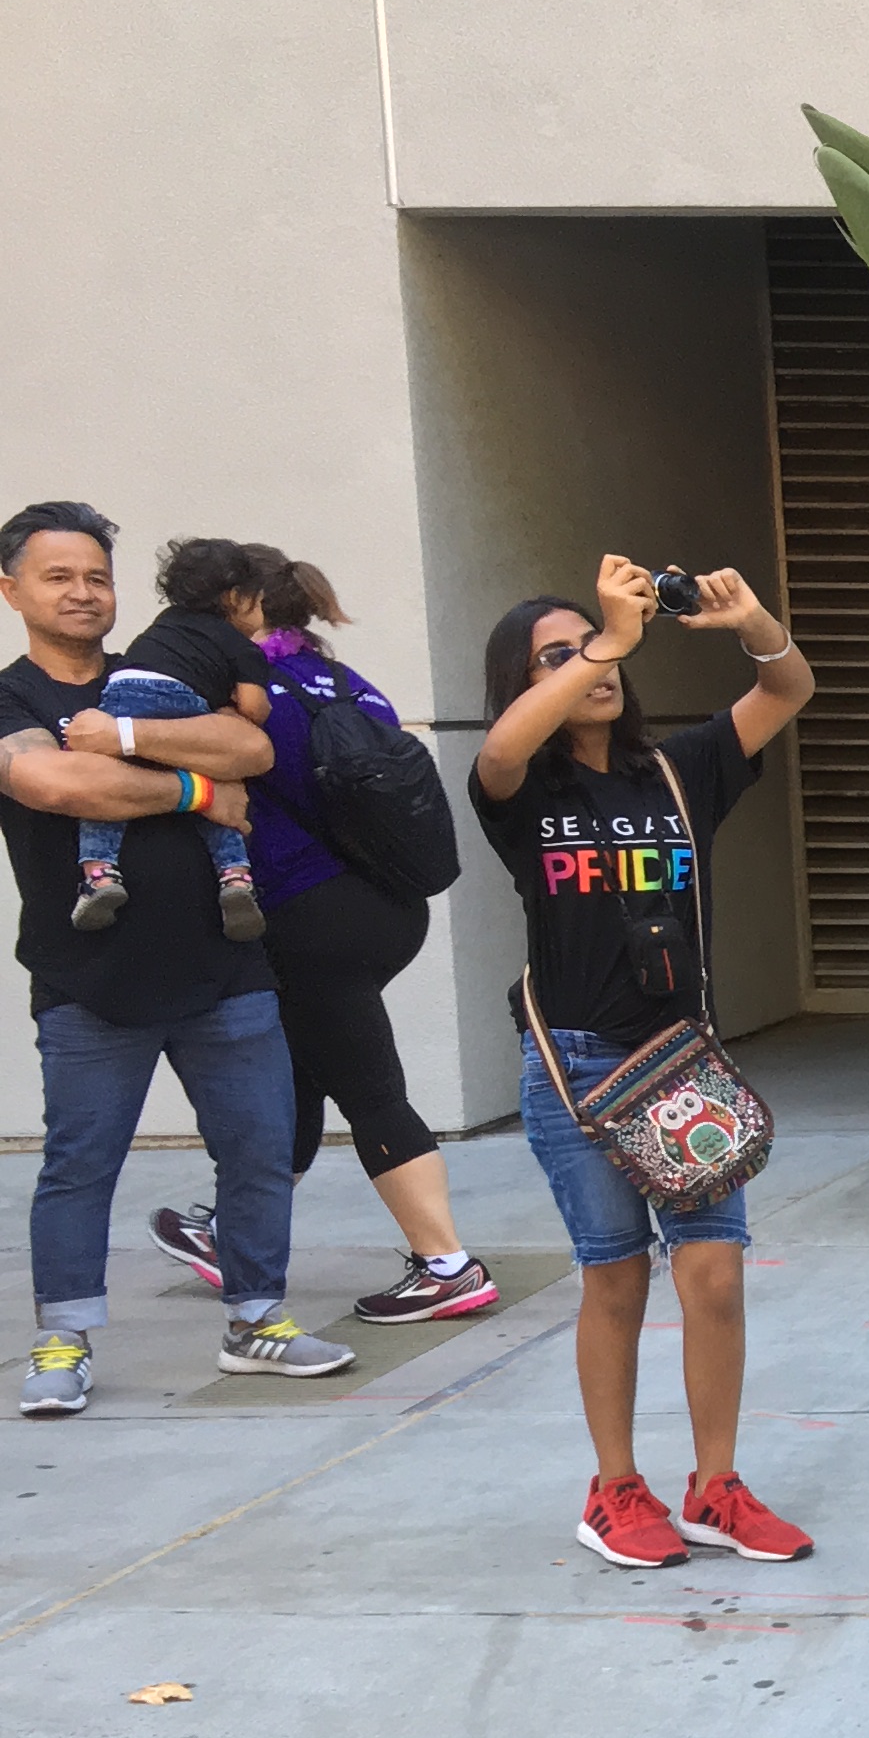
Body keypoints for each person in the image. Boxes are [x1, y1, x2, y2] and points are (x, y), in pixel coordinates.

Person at [473, 555, 816, 1564]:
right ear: (523, 681)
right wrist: (610, 641)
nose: (594, 663)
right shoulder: (520, 787)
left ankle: (716, 1488)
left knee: (713, 1275)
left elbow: (787, 689)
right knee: (615, 1279)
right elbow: (497, 751)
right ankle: (614, 1489)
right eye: (559, 655)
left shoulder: (678, 770)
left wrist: (753, 619)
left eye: (601, 643)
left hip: (680, 1065)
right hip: (576, 1069)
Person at [4, 500, 353, 1416]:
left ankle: (257, 1321)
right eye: (59, 576)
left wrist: (142, 754)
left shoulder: (157, 667)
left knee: (258, 1148)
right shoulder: (11, 698)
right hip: (89, 981)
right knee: (80, 1163)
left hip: (225, 966)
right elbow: (53, 780)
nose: (84, 592)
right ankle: (61, 1341)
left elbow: (253, 743)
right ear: (11, 590)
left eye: (97, 576)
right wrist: (197, 786)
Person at [145, 551, 492, 1326]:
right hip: (389, 906)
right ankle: (232, 1229)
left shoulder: (245, 695)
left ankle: (446, 1265)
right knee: (301, 1069)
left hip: (309, 915)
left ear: (242, 606)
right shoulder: (344, 681)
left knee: (368, 1089)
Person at [74, 538, 270, 939]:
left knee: (108, 776)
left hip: (121, 691)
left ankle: (98, 872)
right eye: (261, 603)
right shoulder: (240, 645)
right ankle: (235, 876)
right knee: (220, 775)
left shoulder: (164, 624)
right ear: (235, 597)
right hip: (181, 699)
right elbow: (252, 708)